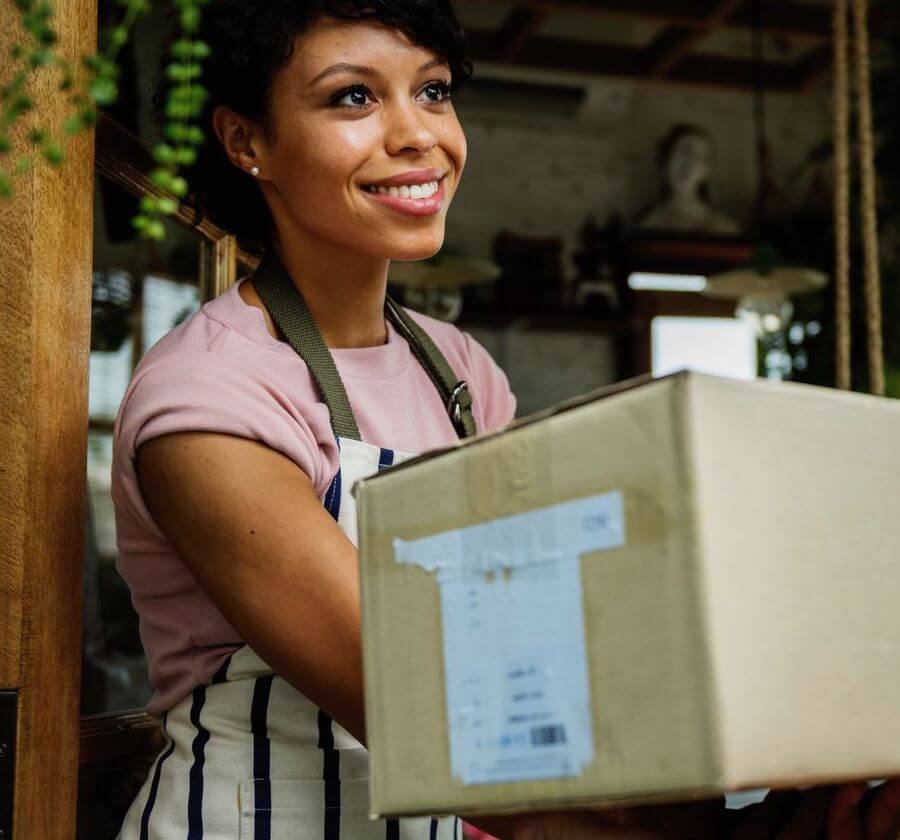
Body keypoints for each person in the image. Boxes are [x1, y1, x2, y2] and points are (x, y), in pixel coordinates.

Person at [109, 1, 900, 837]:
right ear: (247, 142)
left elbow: (529, 670)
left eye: (435, 90)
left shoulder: (457, 370)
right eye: (353, 98)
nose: (419, 135)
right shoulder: (209, 396)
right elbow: (436, 716)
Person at [635, 124, 741, 236]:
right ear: (666, 160)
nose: (689, 164)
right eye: (684, 152)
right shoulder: (648, 225)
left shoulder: (726, 228)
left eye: (699, 157)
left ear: (706, 171)